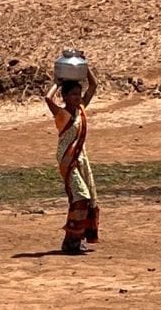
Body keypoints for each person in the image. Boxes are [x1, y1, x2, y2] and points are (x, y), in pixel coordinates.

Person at [42, 68, 100, 255]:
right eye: (73, 94)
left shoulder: (81, 109)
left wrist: (85, 68)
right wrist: (57, 83)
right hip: (68, 159)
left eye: (78, 93)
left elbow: (93, 86)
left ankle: (76, 239)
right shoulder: (62, 114)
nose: (77, 97)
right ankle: (71, 240)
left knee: (88, 197)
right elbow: (48, 99)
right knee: (80, 196)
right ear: (65, 97)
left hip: (81, 157)